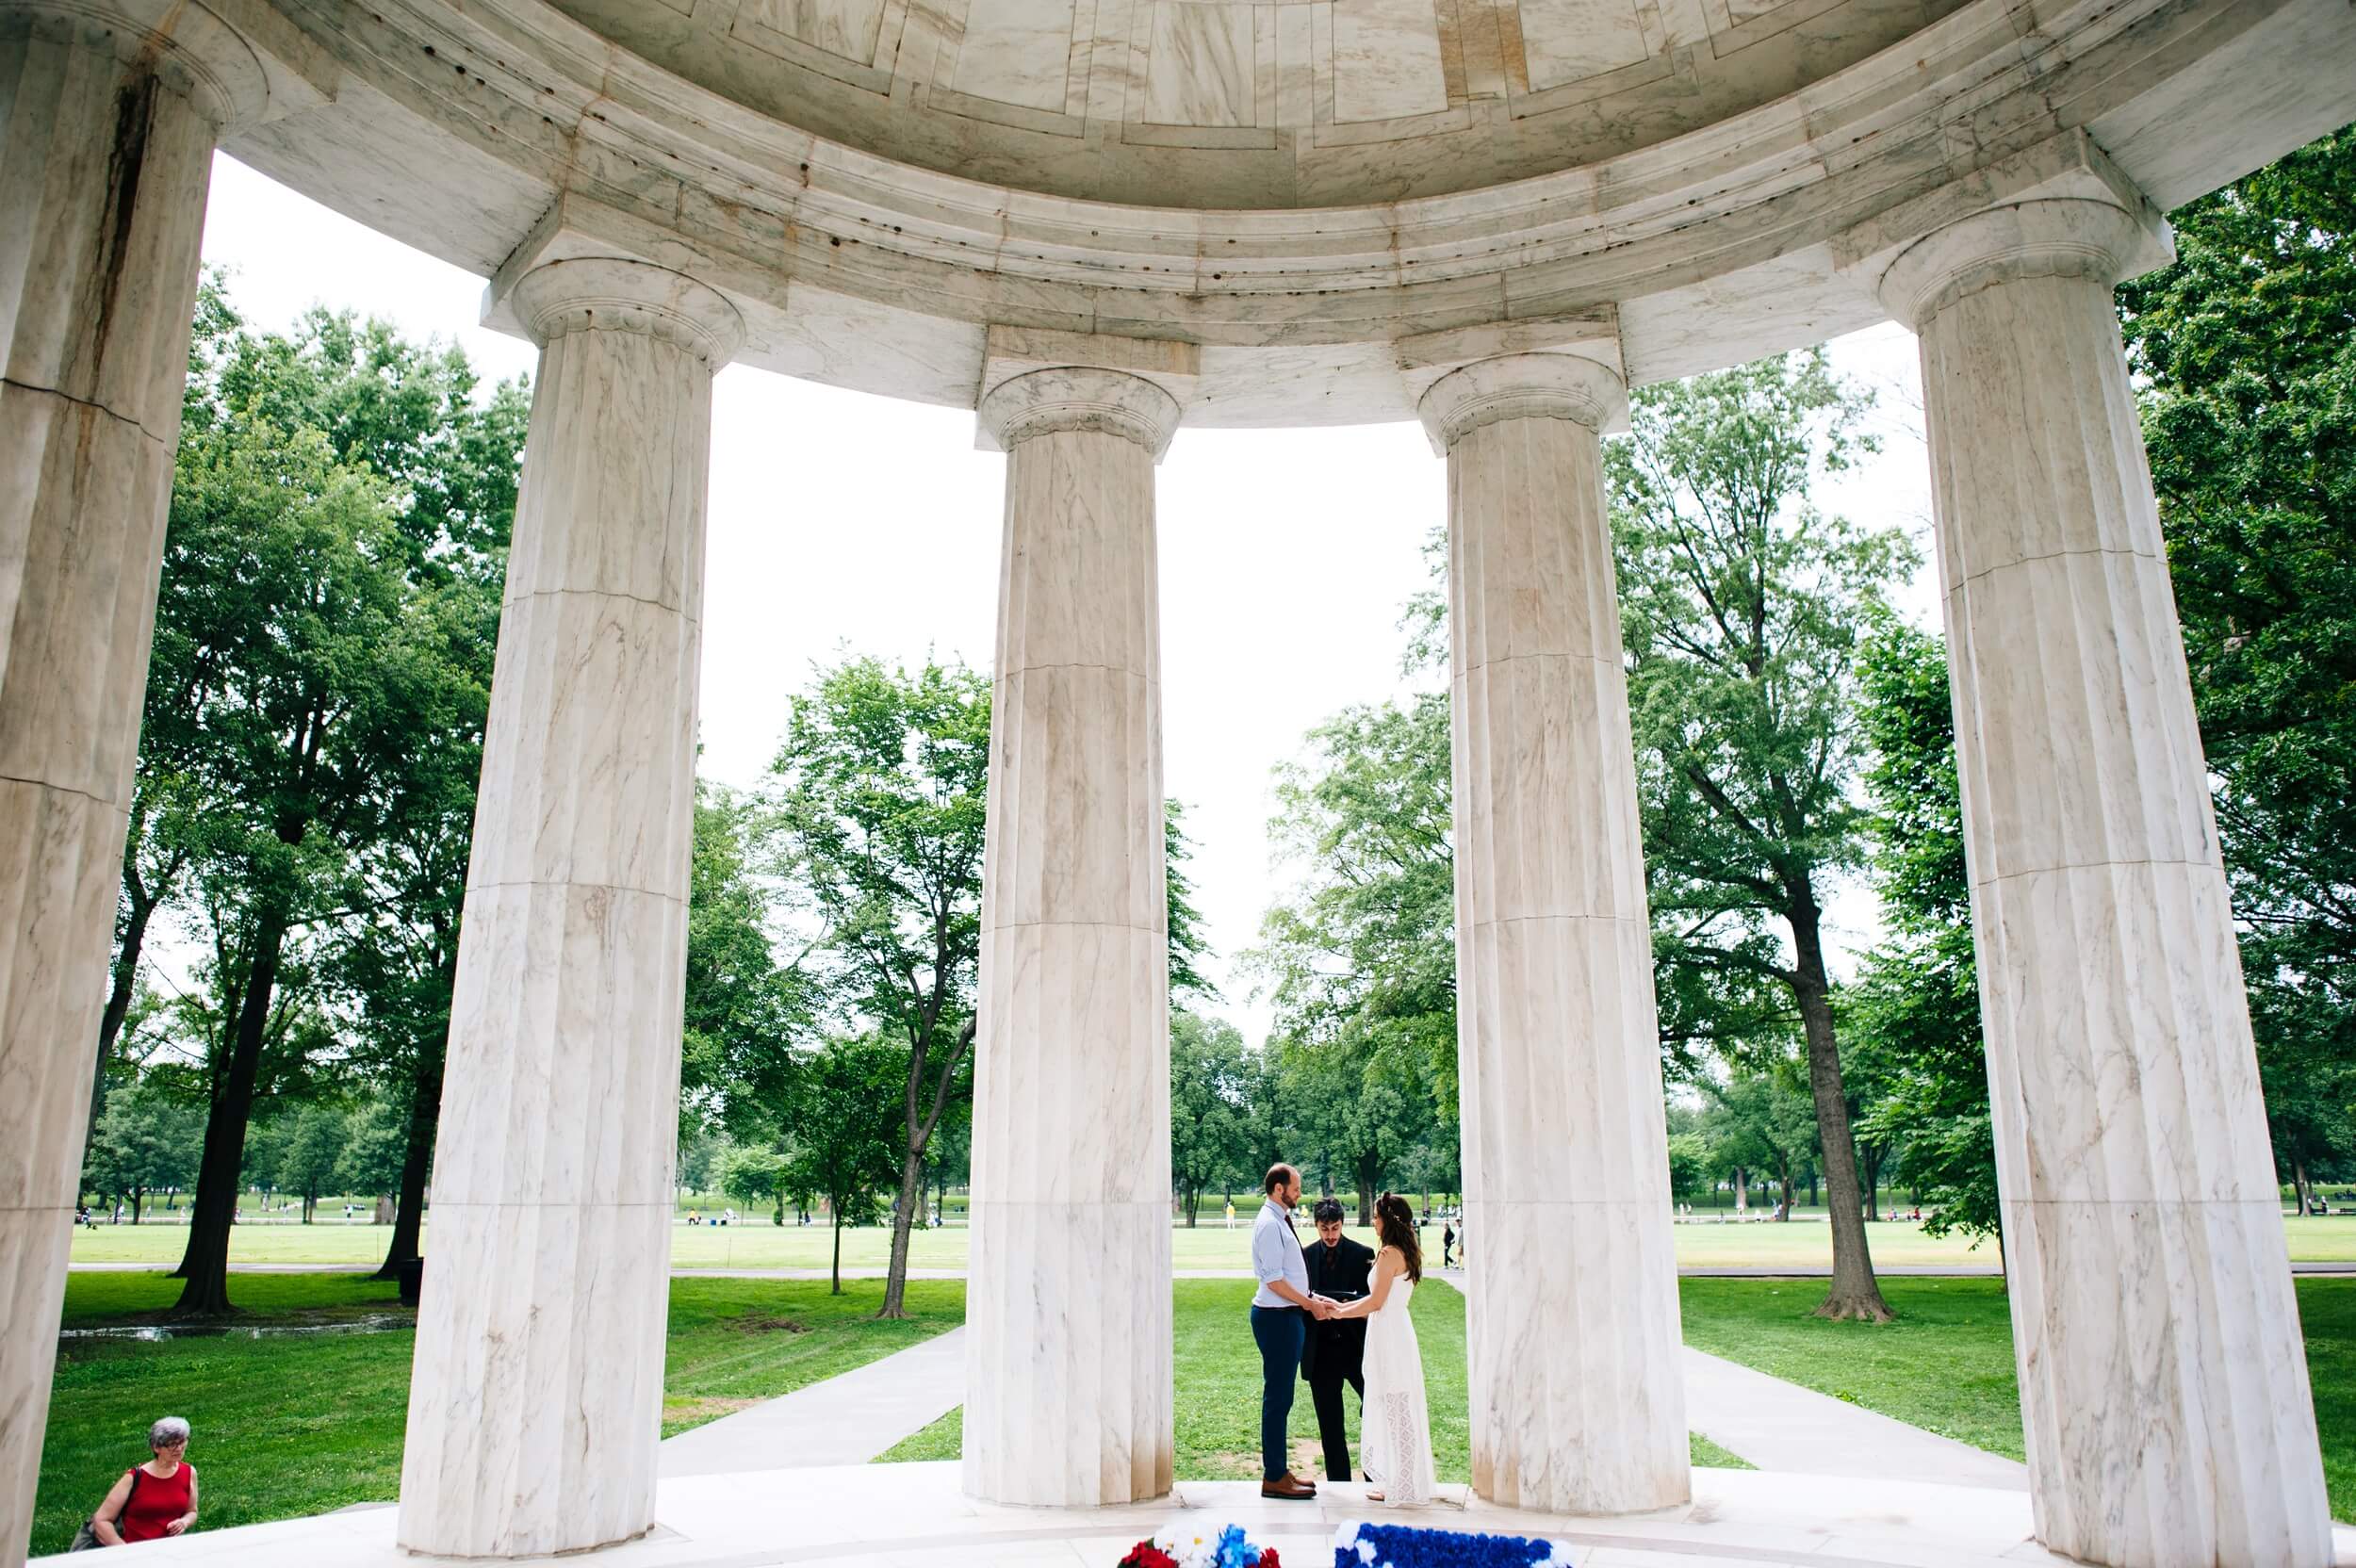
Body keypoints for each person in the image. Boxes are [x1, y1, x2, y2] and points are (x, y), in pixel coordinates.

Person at [1327, 1194, 1436, 1505]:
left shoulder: (1389, 1253)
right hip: (1395, 1328)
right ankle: (1402, 1481)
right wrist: (1343, 1306)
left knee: (1396, 1406)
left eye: (1376, 1217)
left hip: (1389, 1333)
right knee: (1398, 1407)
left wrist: (1339, 1311)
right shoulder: (1405, 1251)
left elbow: (1375, 1302)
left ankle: (1402, 1485)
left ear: (1388, 1220)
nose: (1373, 1222)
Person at [1249, 1162, 1330, 1501]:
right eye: (1295, 1188)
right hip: (1277, 1319)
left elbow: (1289, 1277)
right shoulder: (1269, 1224)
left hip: (1288, 1315)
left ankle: (1280, 1470)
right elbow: (1274, 1280)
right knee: (1278, 1398)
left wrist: (1312, 1298)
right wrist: (1308, 1305)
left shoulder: (1278, 1220)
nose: (1299, 1193)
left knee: (1283, 1398)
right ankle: (1274, 1476)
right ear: (1279, 1189)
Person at [1301, 1198, 1373, 1482]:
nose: (1330, 1235)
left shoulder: (1362, 1254)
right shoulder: (1304, 1256)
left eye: (1335, 1228)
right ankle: (1339, 1486)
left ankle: (1373, 1477)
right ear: (1316, 1226)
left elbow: (1370, 1299)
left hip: (1357, 1349)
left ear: (1343, 1224)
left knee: (1372, 1413)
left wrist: (1340, 1303)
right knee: (1330, 1428)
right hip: (1321, 1353)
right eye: (1324, 1229)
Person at [88, 1417, 198, 1545]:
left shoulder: (189, 1472)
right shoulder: (134, 1477)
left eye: (182, 1441)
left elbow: (192, 1511)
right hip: (136, 1554)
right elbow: (101, 1519)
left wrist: (184, 1522)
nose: (179, 1448)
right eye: (172, 1444)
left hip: (171, 1552)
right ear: (156, 1447)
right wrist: (123, 1550)